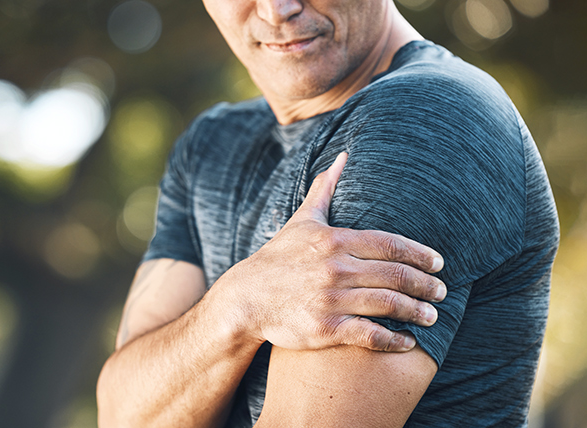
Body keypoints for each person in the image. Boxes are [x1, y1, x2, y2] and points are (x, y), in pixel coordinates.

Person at [97, 0, 559, 426]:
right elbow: (122, 414)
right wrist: (235, 308)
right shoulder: (212, 145)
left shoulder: (421, 121)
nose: (278, 10)